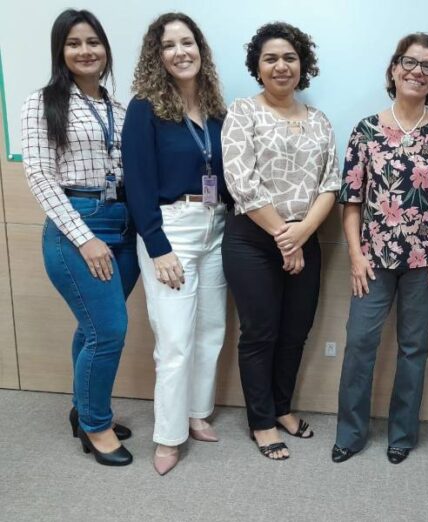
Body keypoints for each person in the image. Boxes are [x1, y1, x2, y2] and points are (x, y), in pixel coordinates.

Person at [333, 33, 428, 465]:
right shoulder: (366, 130)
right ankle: (351, 433)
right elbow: (351, 201)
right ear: (393, 69)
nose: (417, 71)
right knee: (359, 342)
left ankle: (402, 435)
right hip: (372, 259)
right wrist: (355, 255)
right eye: (409, 62)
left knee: (413, 348)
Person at [21, 9, 138, 466]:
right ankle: (95, 425)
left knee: (93, 327)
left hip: (124, 223)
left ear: (105, 48)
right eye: (74, 43)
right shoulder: (42, 102)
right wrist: (84, 237)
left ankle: (82, 409)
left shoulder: (119, 108)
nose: (85, 51)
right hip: (78, 223)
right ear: (61, 51)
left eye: (93, 42)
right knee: (108, 331)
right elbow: (40, 176)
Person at [221, 22, 339, 461]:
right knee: (260, 332)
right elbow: (242, 183)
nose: (281, 66)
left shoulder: (319, 121)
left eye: (290, 57)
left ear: (303, 65)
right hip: (252, 240)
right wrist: (285, 239)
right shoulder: (242, 112)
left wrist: (301, 234)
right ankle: (261, 421)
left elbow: (330, 183)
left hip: (305, 235)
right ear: (257, 67)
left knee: (295, 331)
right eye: (270, 58)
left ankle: (282, 406)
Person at [122, 12, 230, 475]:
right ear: (157, 56)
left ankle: (196, 413)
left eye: (187, 42)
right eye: (169, 45)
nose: (180, 52)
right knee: (175, 339)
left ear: (200, 49)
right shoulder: (144, 108)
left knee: (211, 329)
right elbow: (137, 181)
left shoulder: (216, 108)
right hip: (171, 229)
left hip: (216, 225)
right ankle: (168, 437)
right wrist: (157, 245)